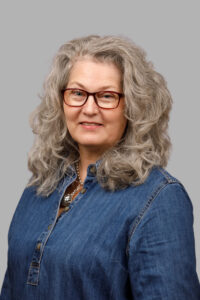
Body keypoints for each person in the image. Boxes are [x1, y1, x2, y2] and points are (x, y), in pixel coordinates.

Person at [1, 34, 200, 300]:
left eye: (107, 96)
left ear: (134, 106)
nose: (89, 108)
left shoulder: (160, 199)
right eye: (78, 93)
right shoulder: (40, 186)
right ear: (61, 101)